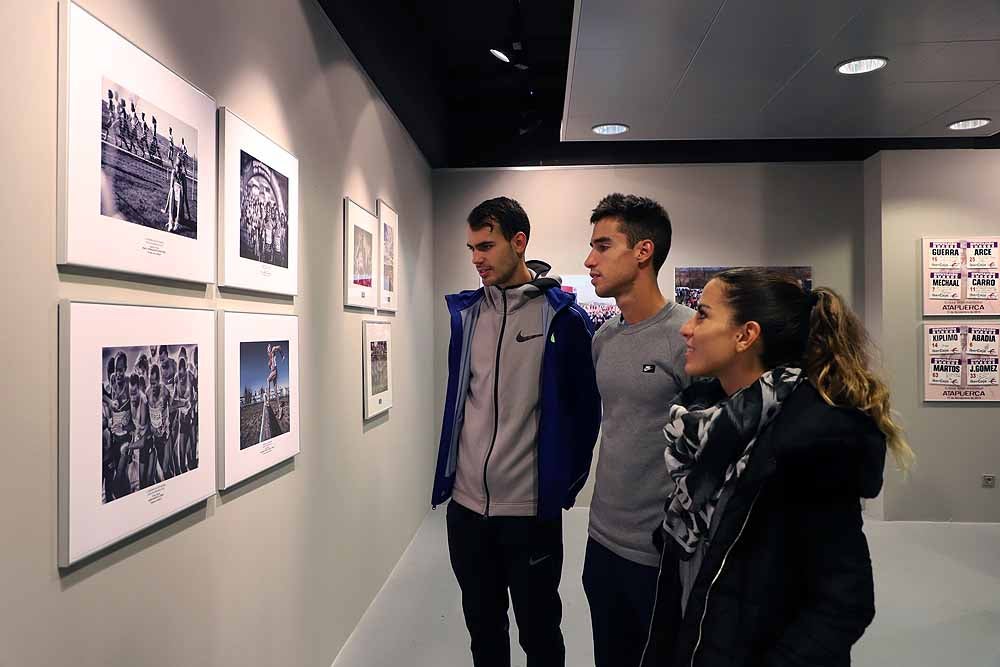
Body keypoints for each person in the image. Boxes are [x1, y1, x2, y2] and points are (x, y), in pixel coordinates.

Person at [640, 268, 914, 667]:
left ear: (745, 336)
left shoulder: (811, 440)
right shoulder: (708, 426)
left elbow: (843, 601)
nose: (687, 328)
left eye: (702, 314)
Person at [431, 196, 601, 667]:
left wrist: (563, 486)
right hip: (466, 512)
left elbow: (586, 413)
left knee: (540, 633)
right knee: (483, 633)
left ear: (519, 242)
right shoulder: (467, 317)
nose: (476, 259)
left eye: (485, 246)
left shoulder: (562, 320)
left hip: (529, 513)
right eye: (470, 248)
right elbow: (462, 403)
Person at [581, 194, 694, 667]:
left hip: (660, 552)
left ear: (643, 252)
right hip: (602, 538)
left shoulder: (687, 336)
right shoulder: (603, 338)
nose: (589, 260)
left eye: (603, 246)